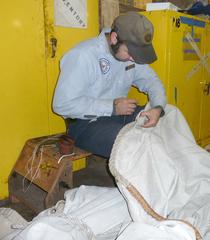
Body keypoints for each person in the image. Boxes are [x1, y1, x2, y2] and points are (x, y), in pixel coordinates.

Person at [53, 11, 167, 158]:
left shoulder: (129, 55)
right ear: (114, 38)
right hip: (85, 124)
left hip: (120, 114)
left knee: (169, 118)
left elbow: (152, 81)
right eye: (130, 52)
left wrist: (157, 107)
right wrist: (111, 107)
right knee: (133, 145)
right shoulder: (83, 55)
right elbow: (62, 104)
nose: (133, 59)